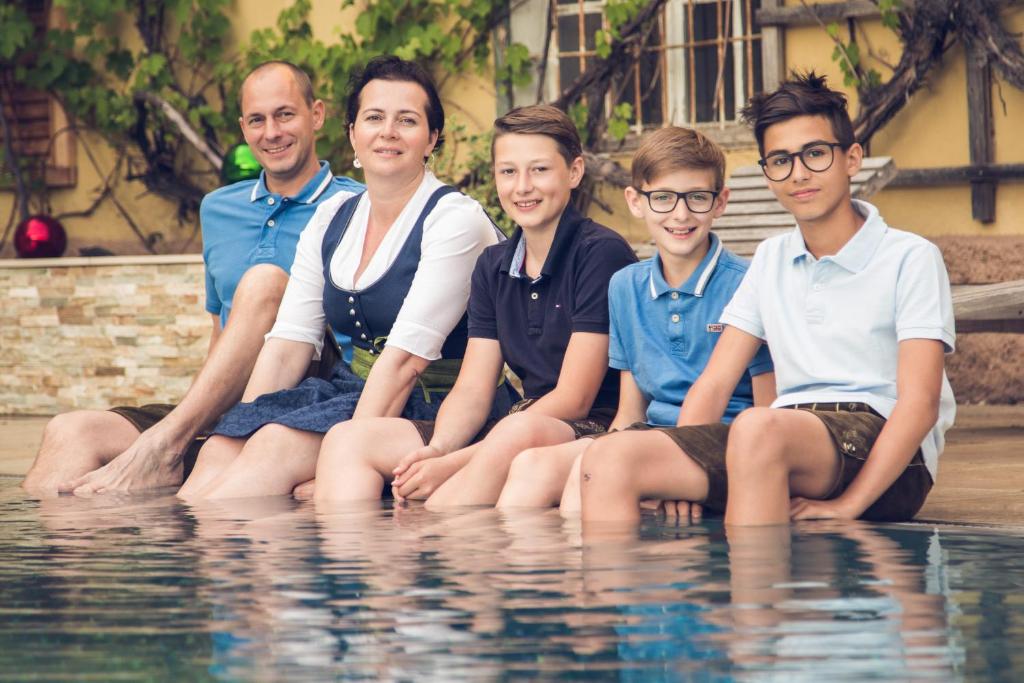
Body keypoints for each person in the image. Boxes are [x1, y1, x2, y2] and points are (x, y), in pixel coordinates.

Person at [579, 72, 955, 525]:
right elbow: (715, 384)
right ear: (767, 173)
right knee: (609, 458)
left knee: (757, 427)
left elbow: (920, 405)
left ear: (851, 158)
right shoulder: (771, 258)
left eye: (815, 154)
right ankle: (618, 596)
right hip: (778, 436)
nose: (798, 173)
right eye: (780, 160)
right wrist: (684, 458)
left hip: (885, 449)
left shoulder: (909, 257)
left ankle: (753, 595)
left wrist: (848, 506)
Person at [21, 61, 363, 496]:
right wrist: (203, 416)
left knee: (264, 283)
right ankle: (57, 556)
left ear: (316, 115)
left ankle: (165, 446)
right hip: (224, 408)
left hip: (315, 391)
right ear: (243, 128)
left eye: (285, 114)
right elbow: (221, 333)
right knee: (70, 431)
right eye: (257, 120)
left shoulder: (358, 205)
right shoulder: (218, 209)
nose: (271, 132)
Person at [176, 55, 506, 501]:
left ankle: (240, 562)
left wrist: (336, 457)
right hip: (356, 393)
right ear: (353, 133)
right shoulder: (333, 216)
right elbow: (288, 343)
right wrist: (244, 423)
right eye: (373, 118)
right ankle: (204, 561)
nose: (387, 131)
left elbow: (404, 364)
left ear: (432, 139)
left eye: (406, 120)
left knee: (274, 448)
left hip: (441, 409)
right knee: (225, 447)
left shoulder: (453, 220)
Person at [312, 104, 637, 506]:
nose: (522, 187)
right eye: (508, 172)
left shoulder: (599, 254)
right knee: (350, 439)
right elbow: (472, 389)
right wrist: (438, 449)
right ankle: (361, 567)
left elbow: (574, 399)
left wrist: (454, 464)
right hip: (514, 426)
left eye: (539, 170)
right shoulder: (494, 264)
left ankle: (447, 547)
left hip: (588, 430)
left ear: (574, 171)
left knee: (511, 435)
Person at [494, 126, 775, 513]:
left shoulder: (748, 283)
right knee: (535, 466)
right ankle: (537, 573)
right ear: (635, 201)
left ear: (720, 202)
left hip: (724, 442)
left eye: (697, 197)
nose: (680, 214)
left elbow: (768, 410)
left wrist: (677, 469)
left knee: (591, 479)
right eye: (662, 198)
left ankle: (601, 570)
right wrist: (607, 450)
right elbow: (630, 410)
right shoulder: (625, 286)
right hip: (647, 437)